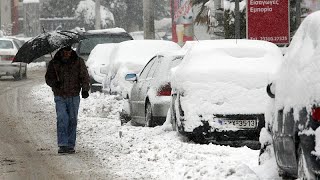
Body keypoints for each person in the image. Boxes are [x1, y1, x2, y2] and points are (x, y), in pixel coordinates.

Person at [45, 46, 90, 154]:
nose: (67, 54)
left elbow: (84, 76)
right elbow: (48, 78)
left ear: (71, 51)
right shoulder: (54, 63)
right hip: (60, 95)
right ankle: (62, 144)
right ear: (62, 51)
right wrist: (55, 83)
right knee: (62, 118)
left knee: (72, 120)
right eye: (65, 52)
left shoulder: (78, 62)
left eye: (69, 52)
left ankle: (70, 144)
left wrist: (85, 89)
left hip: (74, 95)